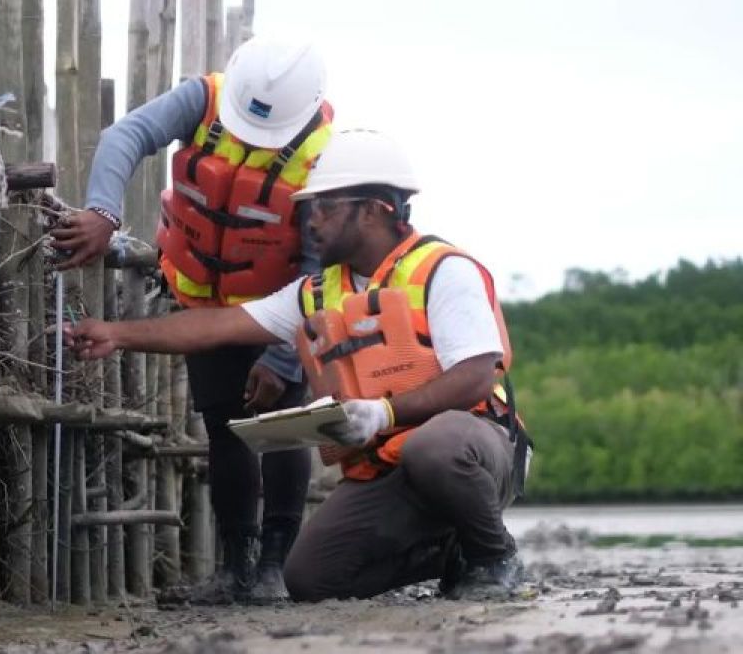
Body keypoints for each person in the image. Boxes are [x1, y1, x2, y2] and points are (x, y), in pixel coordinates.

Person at [65, 128, 531, 602]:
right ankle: (453, 553)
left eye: (325, 207)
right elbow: (217, 326)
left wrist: (383, 413)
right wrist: (115, 334)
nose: (310, 221)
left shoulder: (443, 270)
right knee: (312, 579)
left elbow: (475, 376)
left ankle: (496, 558)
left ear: (373, 210)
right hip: (392, 471)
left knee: (434, 447)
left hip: (473, 450)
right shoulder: (317, 290)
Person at [52, 38, 335, 603]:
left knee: (283, 426)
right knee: (223, 429)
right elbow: (124, 136)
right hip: (204, 301)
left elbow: (318, 263)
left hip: (279, 309)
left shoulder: (326, 154)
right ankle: (237, 567)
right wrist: (103, 211)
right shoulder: (202, 99)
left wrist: (282, 355)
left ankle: (274, 568)